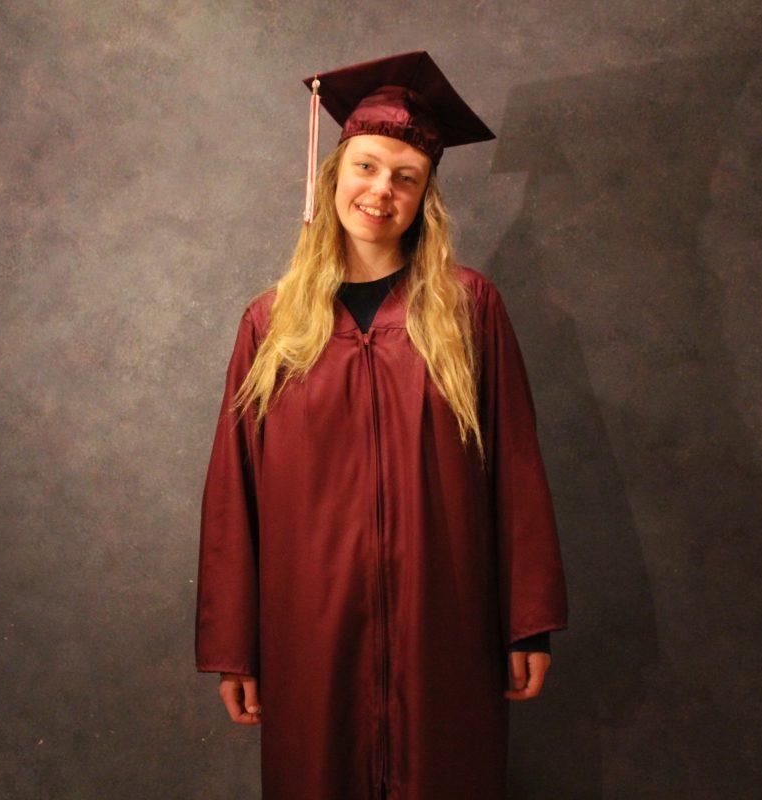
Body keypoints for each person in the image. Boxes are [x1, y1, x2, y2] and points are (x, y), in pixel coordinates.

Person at [195, 50, 568, 800]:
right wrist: (237, 646)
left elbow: (517, 468)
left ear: (425, 195)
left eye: (405, 177)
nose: (381, 191)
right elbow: (233, 493)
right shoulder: (271, 324)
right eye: (366, 167)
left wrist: (525, 622)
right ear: (334, 175)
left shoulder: (468, 309)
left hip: (445, 620)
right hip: (310, 629)